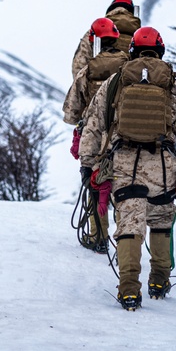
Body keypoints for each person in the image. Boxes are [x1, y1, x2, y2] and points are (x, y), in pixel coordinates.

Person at [78, 26, 176, 311]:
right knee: (160, 221)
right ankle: (159, 281)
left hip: (125, 164)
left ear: (133, 50)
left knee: (129, 225)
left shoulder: (116, 81)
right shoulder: (173, 85)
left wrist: (87, 165)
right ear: (160, 51)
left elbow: (93, 125)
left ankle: (128, 291)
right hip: (163, 166)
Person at [62, 17, 129, 253]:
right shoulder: (129, 67)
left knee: (94, 185)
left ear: (95, 42)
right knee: (123, 190)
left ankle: (98, 237)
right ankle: (126, 239)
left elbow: (71, 113)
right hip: (123, 139)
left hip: (95, 138)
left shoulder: (87, 71)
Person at [70, 0, 141, 79]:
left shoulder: (95, 30)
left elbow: (79, 64)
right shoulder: (141, 34)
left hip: (97, 85)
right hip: (127, 85)